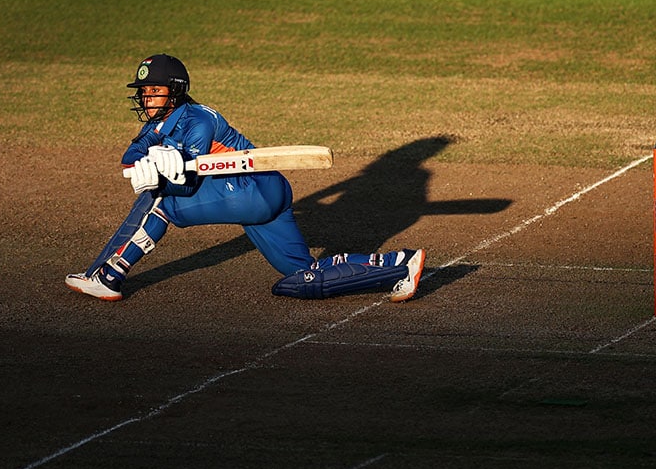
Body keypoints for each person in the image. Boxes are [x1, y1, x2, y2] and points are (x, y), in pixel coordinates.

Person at [65, 54, 426, 302]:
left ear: (175, 91)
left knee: (164, 204)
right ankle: (398, 265)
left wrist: (168, 164)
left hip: (248, 189)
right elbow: (130, 159)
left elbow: (188, 179)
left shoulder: (199, 120)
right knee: (300, 277)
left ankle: (109, 276)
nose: (148, 98)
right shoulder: (155, 126)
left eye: (155, 91)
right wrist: (147, 160)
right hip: (266, 194)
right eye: (144, 92)